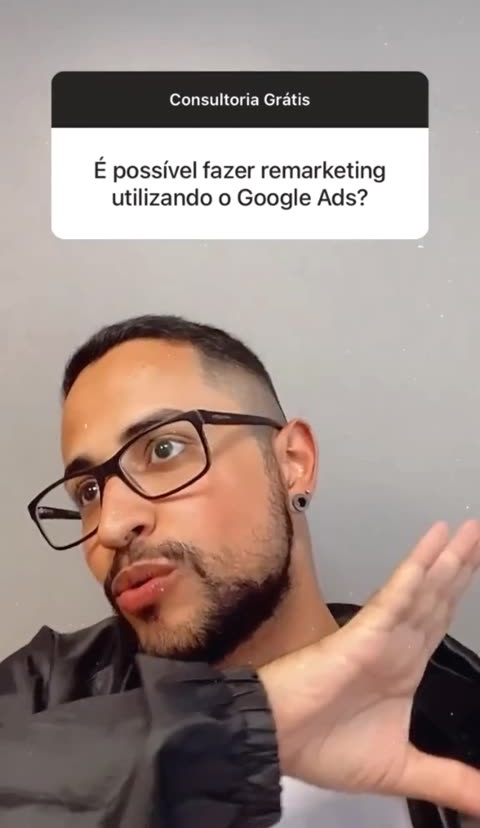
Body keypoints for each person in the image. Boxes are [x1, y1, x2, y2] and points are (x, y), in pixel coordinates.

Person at [2, 314, 480, 828]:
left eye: (163, 449)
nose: (112, 526)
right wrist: (247, 724)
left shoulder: (459, 714)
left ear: (293, 462)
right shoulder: (45, 692)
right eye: (88, 493)